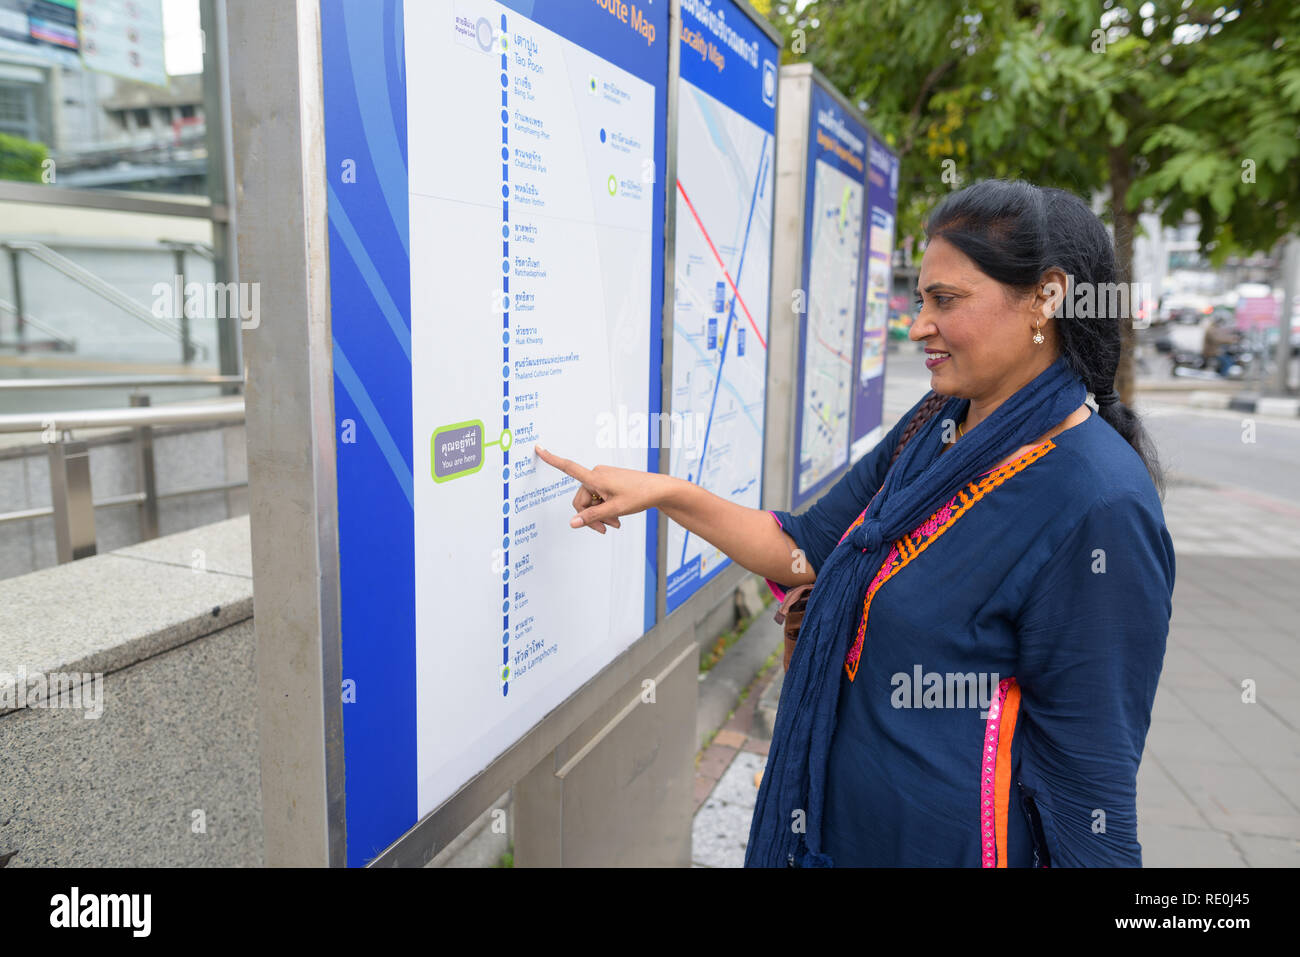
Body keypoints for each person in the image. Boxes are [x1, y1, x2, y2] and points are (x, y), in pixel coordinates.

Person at [535, 179, 1174, 867]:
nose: (917, 323)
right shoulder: (934, 428)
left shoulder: (1099, 501)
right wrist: (664, 492)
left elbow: (1094, 789)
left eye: (945, 300)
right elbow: (803, 551)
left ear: (1046, 299)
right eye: (920, 297)